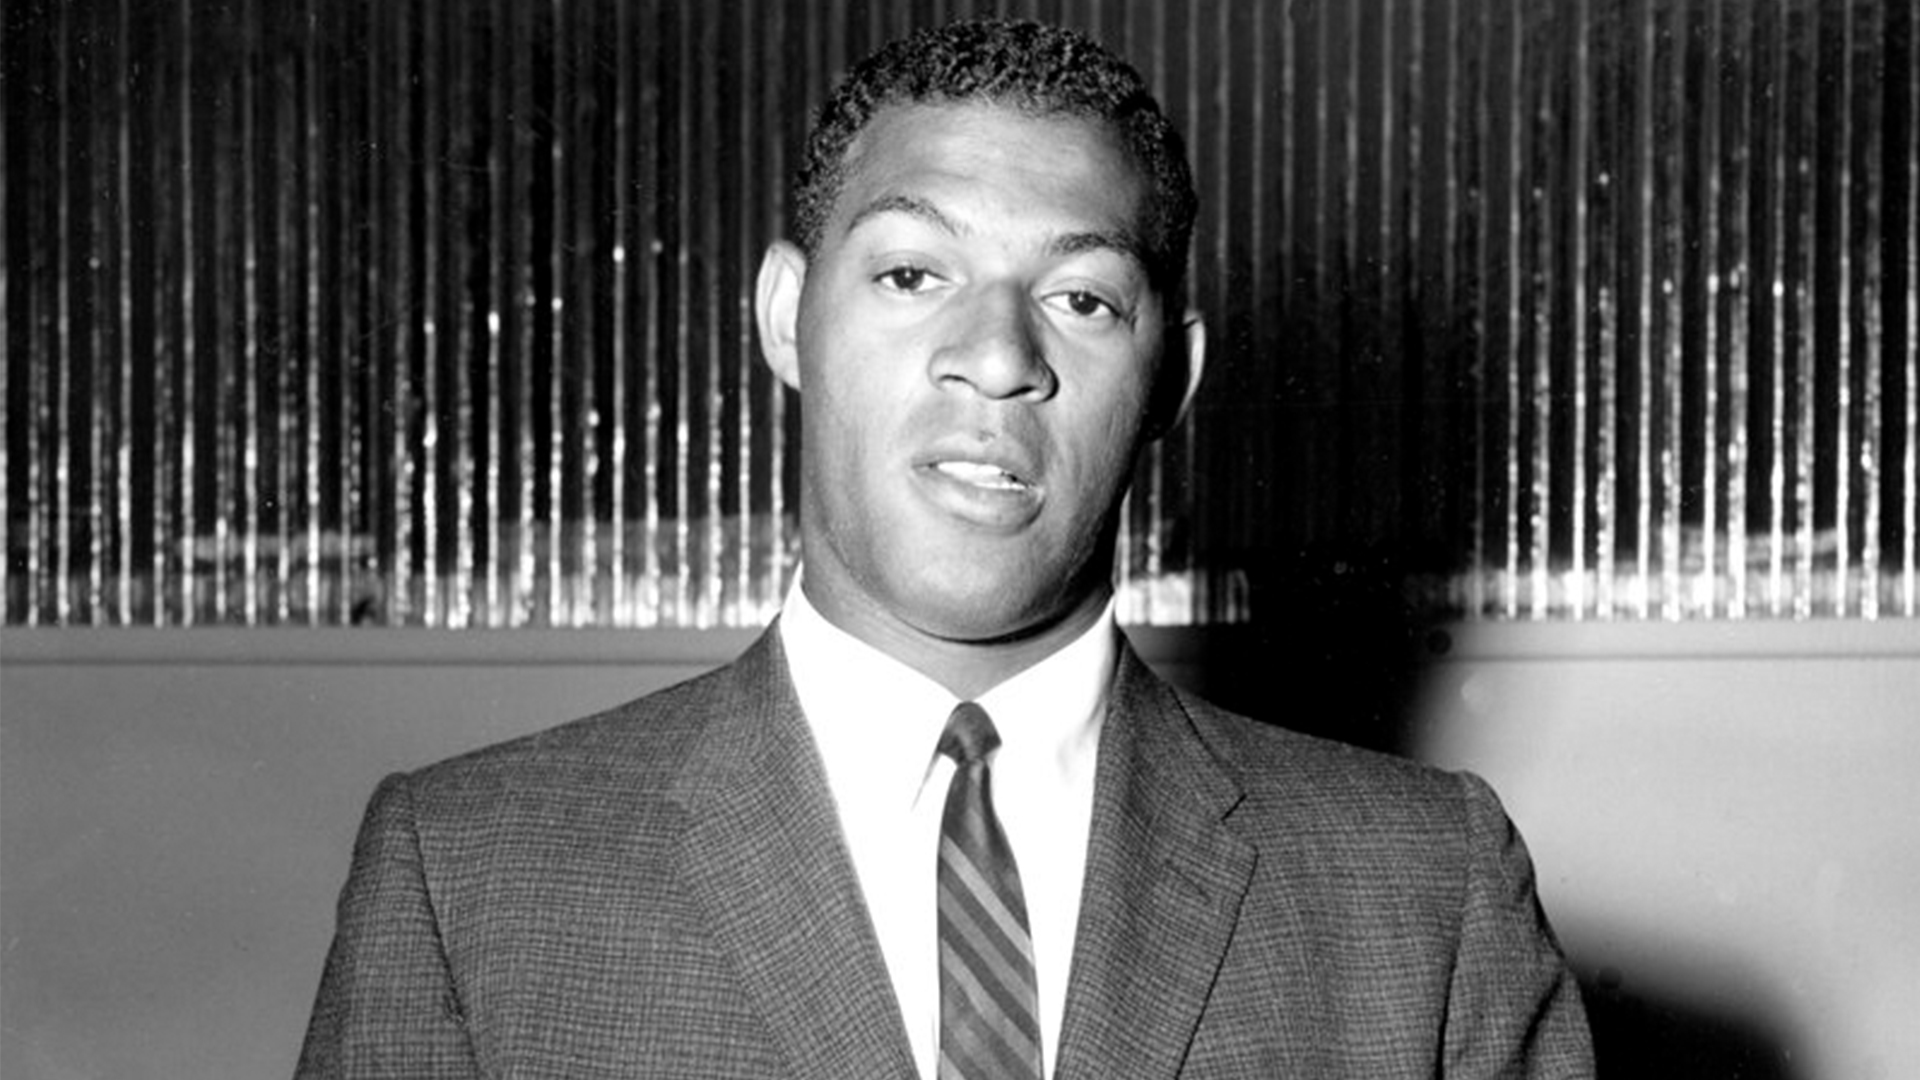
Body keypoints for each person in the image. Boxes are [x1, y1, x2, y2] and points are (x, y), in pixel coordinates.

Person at [296, 18, 1592, 1079]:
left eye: (1082, 299)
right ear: (787, 316)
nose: (999, 356)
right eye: (914, 274)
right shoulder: (467, 879)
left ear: (1172, 383)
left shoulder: (1428, 901)